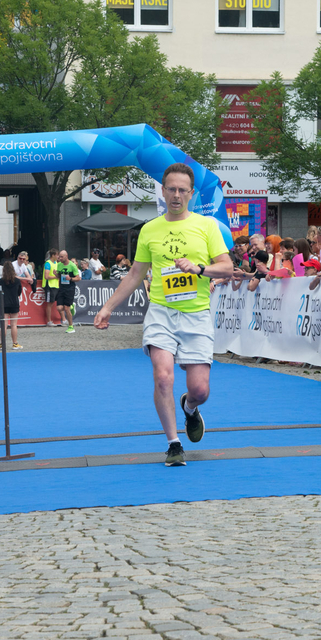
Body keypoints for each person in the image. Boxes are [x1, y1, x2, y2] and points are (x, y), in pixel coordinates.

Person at [93, 162, 239, 467]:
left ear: (191, 193)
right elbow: (135, 274)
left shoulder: (207, 226)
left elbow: (227, 267)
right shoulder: (150, 229)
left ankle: (190, 408)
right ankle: (174, 444)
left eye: (182, 190)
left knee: (200, 389)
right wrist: (107, 307)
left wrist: (199, 268)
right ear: (162, 190)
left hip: (196, 314)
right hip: (161, 312)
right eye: (171, 189)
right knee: (162, 377)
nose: (176, 195)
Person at [0, 261, 23, 349]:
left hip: (4, 304)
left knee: (4, 325)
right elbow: (19, 292)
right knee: (14, 325)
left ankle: (2, 344)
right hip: (14, 303)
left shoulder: (0, 281)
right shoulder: (17, 281)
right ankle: (15, 343)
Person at [55, 249, 81, 332]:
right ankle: (71, 306)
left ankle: (70, 326)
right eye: (59, 257)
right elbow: (59, 276)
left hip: (70, 288)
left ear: (66, 256)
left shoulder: (72, 265)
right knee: (59, 308)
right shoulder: (59, 264)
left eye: (61, 257)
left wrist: (70, 278)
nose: (60, 258)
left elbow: (78, 278)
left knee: (66, 308)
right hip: (61, 287)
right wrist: (56, 274)